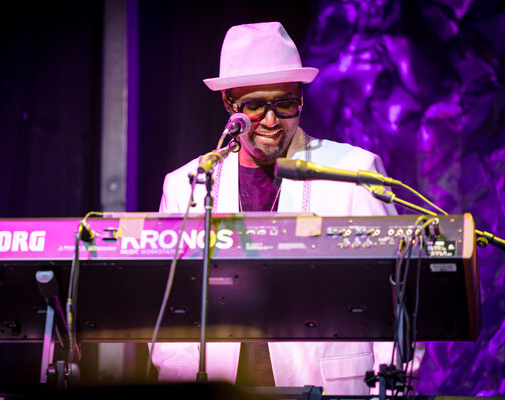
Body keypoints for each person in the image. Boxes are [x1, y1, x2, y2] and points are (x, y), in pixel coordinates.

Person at [152, 21, 418, 394]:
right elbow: (172, 317)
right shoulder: (187, 184)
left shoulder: (355, 171)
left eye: (285, 104)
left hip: (330, 388)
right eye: (254, 106)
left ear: (301, 98)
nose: (271, 120)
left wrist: (391, 392)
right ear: (229, 103)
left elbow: (397, 297)